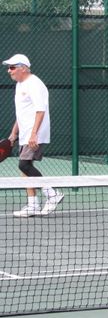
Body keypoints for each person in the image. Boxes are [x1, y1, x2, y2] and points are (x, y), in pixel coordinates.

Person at [4, 53, 64, 217]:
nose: (9, 71)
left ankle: (52, 193)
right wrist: (14, 133)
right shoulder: (20, 85)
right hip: (25, 133)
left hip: (35, 133)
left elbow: (40, 110)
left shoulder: (35, 84)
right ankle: (33, 205)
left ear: (23, 68)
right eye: (8, 68)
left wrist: (34, 134)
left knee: (24, 165)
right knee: (25, 168)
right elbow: (21, 113)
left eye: (12, 67)